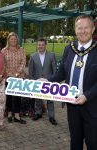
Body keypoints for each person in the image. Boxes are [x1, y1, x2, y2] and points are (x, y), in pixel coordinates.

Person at [49, 15, 97, 150]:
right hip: (72, 105)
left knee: (93, 143)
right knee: (75, 142)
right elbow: (61, 73)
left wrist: (87, 95)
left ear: (93, 29)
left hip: (93, 106)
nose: (83, 31)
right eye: (79, 28)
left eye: (86, 27)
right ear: (75, 30)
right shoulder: (69, 49)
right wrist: (47, 81)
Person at [29, 38, 57, 125]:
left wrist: (52, 81)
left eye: (42, 44)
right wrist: (32, 81)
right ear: (37, 45)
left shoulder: (51, 55)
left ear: (45, 45)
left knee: (50, 99)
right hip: (37, 81)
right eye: (39, 45)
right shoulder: (33, 56)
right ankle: (38, 113)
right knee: (37, 98)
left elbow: (54, 70)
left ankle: (51, 116)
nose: (40, 46)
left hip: (49, 81)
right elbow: (31, 71)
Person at [2, 32, 26, 124]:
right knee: (9, 96)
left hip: (18, 77)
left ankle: (16, 115)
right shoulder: (4, 51)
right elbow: (2, 64)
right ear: (8, 40)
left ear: (17, 40)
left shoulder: (21, 50)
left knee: (17, 97)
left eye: (15, 39)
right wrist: (9, 74)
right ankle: (9, 114)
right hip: (8, 77)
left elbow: (23, 63)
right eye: (11, 39)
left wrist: (16, 74)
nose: (13, 40)